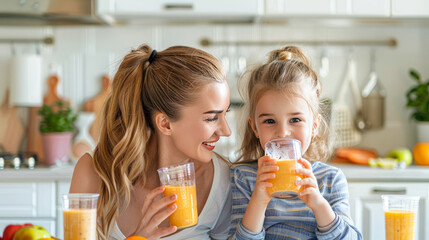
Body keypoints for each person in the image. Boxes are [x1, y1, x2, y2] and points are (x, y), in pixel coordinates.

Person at [70, 44, 232, 240]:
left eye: (225, 114)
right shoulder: (94, 173)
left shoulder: (222, 179)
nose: (226, 131)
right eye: (211, 118)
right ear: (165, 123)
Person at [228, 46, 362, 239]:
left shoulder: (330, 180)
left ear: (314, 125)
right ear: (255, 128)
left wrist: (318, 204)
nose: (282, 132)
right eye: (269, 121)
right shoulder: (244, 179)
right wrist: (258, 200)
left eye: (295, 120)